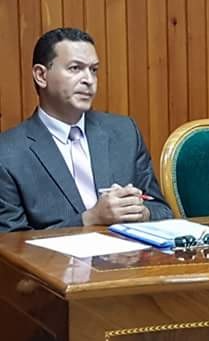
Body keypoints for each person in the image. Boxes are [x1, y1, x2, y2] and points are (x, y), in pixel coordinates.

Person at [0, 28, 172, 232]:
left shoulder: (125, 133)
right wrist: (90, 219)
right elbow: (10, 242)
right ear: (41, 76)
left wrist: (141, 213)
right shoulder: (8, 153)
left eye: (94, 70)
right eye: (75, 68)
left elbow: (162, 211)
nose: (89, 80)